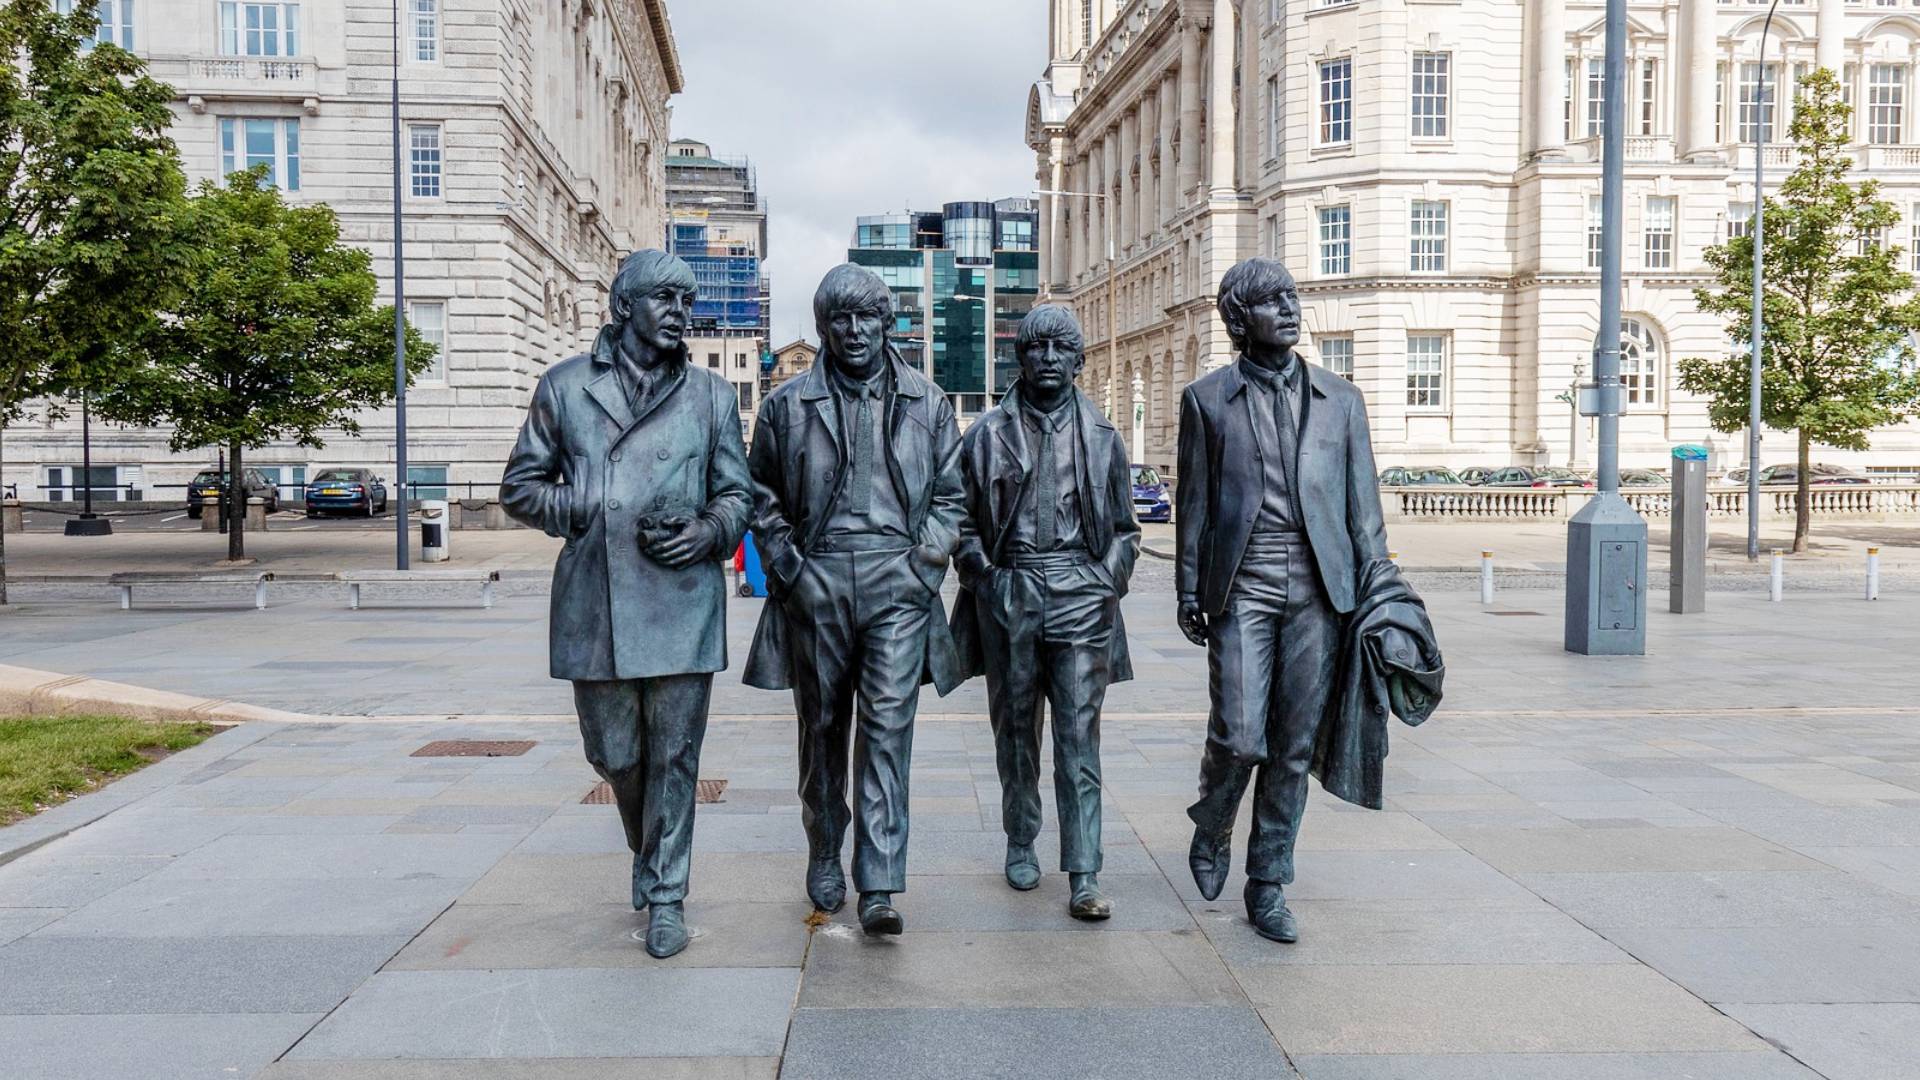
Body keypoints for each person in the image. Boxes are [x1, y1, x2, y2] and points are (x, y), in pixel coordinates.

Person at [500, 249, 751, 959]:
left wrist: (708, 530)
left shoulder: (709, 396)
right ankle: (652, 854)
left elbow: (738, 494)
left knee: (676, 755)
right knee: (613, 751)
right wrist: (576, 504)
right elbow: (520, 487)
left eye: (687, 300)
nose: (680, 312)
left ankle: (667, 894)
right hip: (596, 599)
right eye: (665, 299)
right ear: (623, 308)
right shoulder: (566, 387)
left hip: (681, 596)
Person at [742, 264, 966, 936]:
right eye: (840, 318)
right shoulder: (786, 407)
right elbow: (761, 498)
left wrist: (923, 564)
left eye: (867, 317)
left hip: (898, 584)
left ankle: (879, 880)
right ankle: (823, 848)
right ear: (822, 327)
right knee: (823, 730)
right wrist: (791, 568)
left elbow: (953, 498)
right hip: (818, 582)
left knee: (888, 733)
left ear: (887, 321)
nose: (855, 330)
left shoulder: (928, 402)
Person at [1175, 256, 1390, 944]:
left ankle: (1268, 882)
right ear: (1240, 319)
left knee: (1294, 745)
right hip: (1243, 582)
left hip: (1321, 589)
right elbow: (1196, 506)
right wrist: (1187, 588)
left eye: (1293, 297)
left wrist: (1377, 590)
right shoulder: (1206, 401)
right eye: (1273, 301)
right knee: (1240, 734)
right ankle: (1212, 820)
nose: (1291, 309)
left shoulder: (1341, 400)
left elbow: (1364, 511)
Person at [949, 305, 1140, 921]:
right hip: (1013, 590)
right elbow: (959, 516)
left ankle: (1084, 870)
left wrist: (1103, 580)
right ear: (1019, 358)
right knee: (1016, 731)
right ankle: (1021, 837)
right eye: (1037, 348)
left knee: (1079, 737)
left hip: (1080, 593)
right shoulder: (984, 434)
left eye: (1062, 349)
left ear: (1080, 361)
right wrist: (986, 579)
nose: (1049, 358)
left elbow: (1124, 530)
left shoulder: (1103, 435)